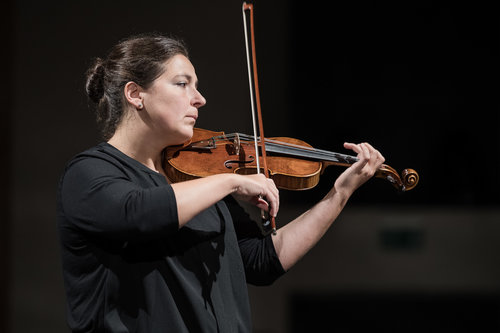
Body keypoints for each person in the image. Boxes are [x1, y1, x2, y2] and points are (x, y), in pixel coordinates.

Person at [57, 32, 385, 332]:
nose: (199, 99)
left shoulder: (198, 180)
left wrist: (340, 193)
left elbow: (262, 261)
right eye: (183, 84)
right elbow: (138, 213)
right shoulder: (89, 173)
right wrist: (229, 182)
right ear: (135, 94)